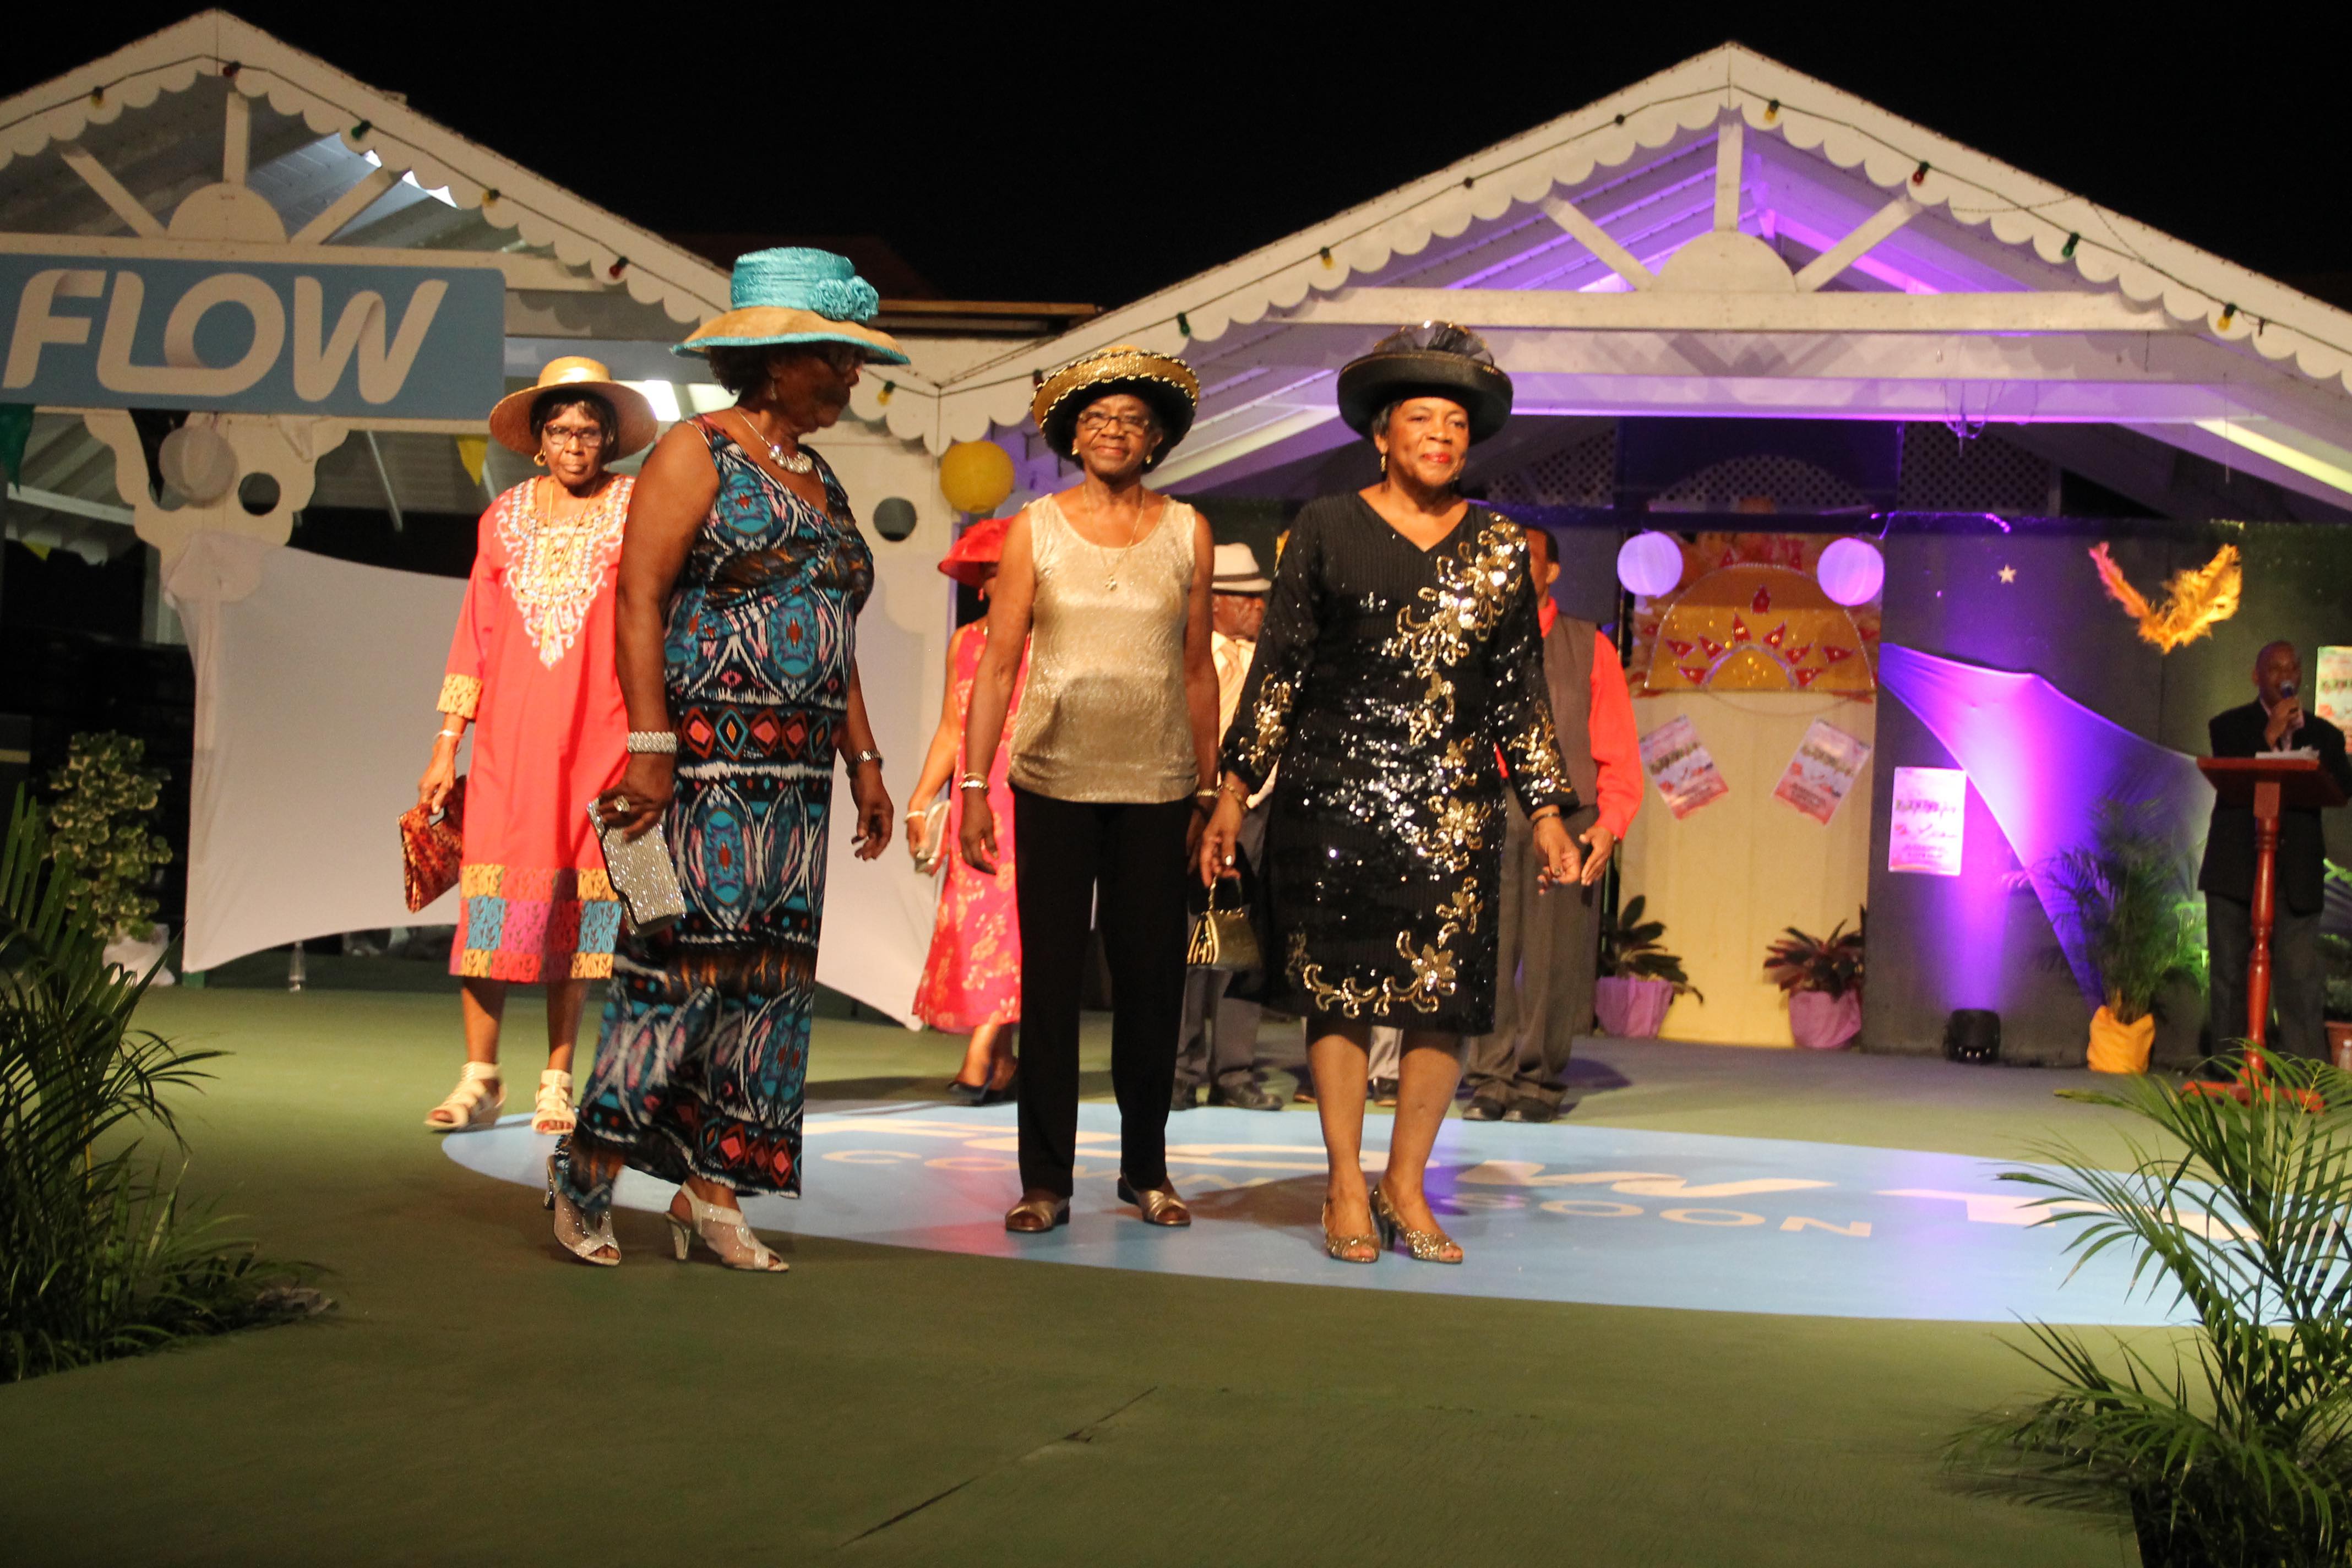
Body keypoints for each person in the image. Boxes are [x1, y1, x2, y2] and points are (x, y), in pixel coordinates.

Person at [552, 249, 906, 1269]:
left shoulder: (820, 476)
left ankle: (715, 1189)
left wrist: (865, 761)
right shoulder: (694, 450)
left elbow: (828, 631)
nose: (850, 377)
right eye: (836, 358)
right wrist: (651, 748)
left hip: (795, 781)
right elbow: (639, 600)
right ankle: (587, 1167)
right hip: (700, 768)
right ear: (778, 360)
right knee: (677, 975)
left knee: (772, 985)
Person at [1200, 323, 1582, 1266]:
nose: (1442, 436)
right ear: (1381, 432)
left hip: (1451, 801)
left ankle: (1405, 1183)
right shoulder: (1325, 526)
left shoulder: (1499, 545)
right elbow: (1278, 670)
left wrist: (1543, 810)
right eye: (1423, 418)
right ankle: (1342, 1178)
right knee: (1335, 990)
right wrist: (1233, 790)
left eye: (1456, 422)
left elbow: (1517, 695)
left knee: (1441, 996)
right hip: (1330, 792)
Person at [959, 346, 1220, 1234]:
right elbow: (997, 665)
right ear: (1073, 435)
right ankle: (1045, 1179)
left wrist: (1208, 789)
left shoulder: (1189, 529)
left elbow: (1196, 671)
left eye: (1132, 422)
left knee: (1151, 984)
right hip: (1052, 779)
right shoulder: (1034, 526)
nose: (1113, 432)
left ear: (1155, 441)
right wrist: (969, 784)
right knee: (1052, 983)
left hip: (1156, 784)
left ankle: (1145, 1169)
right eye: (1098, 420)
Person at [416, 357, 657, 1138]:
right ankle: (480, 1077)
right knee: (492, 904)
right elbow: (473, 638)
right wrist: (445, 743)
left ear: (611, 438)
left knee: (580, 909)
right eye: (560, 432)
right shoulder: (504, 518)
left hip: (602, 734)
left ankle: (558, 1079)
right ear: (538, 441)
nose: (576, 446)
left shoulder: (638, 509)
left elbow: (654, 621)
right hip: (510, 746)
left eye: (590, 432)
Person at [1462, 524, 1642, 1123]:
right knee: (1487, 948)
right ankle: (1489, 1076)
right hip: (1489, 809)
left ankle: (1537, 1080)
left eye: (1528, 559)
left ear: (1552, 572)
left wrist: (1610, 825)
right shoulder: (1476, 640)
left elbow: (1618, 751)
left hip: (1568, 814)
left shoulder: (1588, 646)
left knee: (1552, 956)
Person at [908, 516, 1027, 1103]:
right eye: (998, 575)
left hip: (1027, 793)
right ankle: (1004, 1062)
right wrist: (921, 796)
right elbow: (953, 726)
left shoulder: (1045, 642)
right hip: (975, 795)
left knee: (1011, 924)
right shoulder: (967, 642)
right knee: (974, 923)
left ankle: (981, 1053)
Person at [2198, 640, 2351, 1060]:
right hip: (2236, 869)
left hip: (2295, 874)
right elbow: (2229, 771)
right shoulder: (2228, 726)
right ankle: (2231, 1067)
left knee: (2299, 977)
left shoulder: (2324, 735)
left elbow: (2342, 787)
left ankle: (2304, 1072)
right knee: (2230, 973)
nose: (2286, 675)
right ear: (2256, 676)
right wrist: (2268, 737)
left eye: (2292, 668)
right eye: (2275, 668)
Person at [1174, 541, 1282, 1113]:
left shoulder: (1269, 661)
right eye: (1245, 597)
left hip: (1258, 808)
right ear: (1213, 602)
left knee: (1247, 941)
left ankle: (1234, 1069)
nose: (1257, 607)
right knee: (1189, 936)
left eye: (1261, 597)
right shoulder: (1184, 656)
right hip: (1194, 805)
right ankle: (1179, 1067)